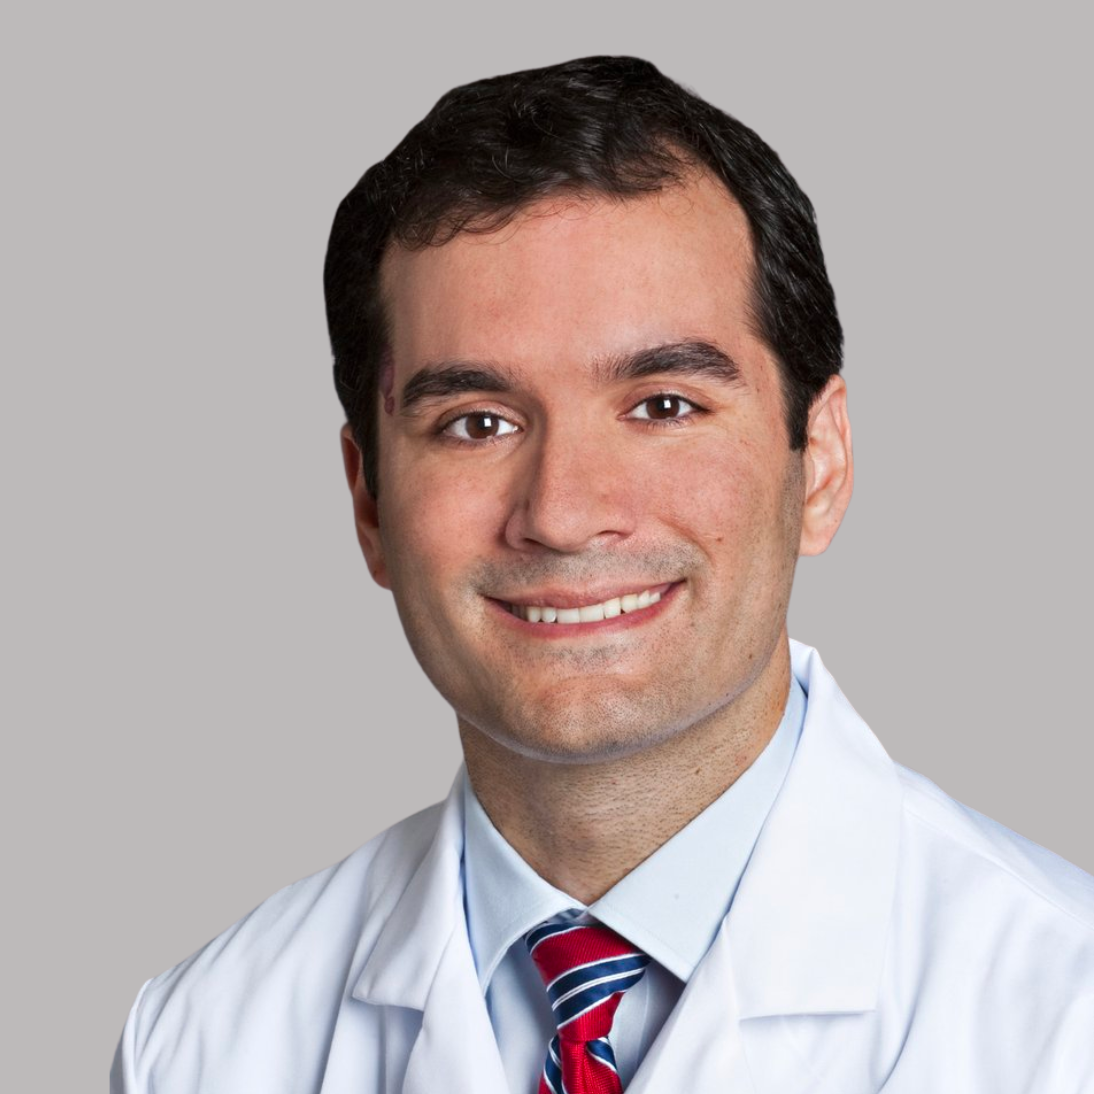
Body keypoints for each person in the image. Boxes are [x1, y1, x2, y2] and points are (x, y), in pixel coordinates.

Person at [111, 56, 1094, 1093]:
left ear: (820, 462)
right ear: (369, 501)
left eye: (663, 405)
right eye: (476, 423)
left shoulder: (1063, 1016)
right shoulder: (200, 1044)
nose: (563, 512)